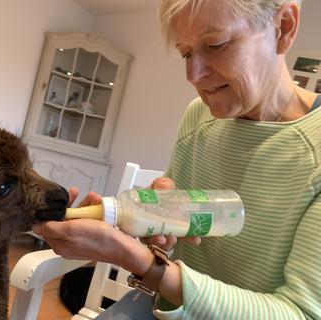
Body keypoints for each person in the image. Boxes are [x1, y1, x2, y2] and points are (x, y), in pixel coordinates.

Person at [32, 0, 321, 318]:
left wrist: (137, 260)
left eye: (216, 44)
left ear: (285, 27)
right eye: (186, 53)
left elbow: (302, 314)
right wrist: (154, 237)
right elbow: (175, 247)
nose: (193, 74)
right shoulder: (198, 116)